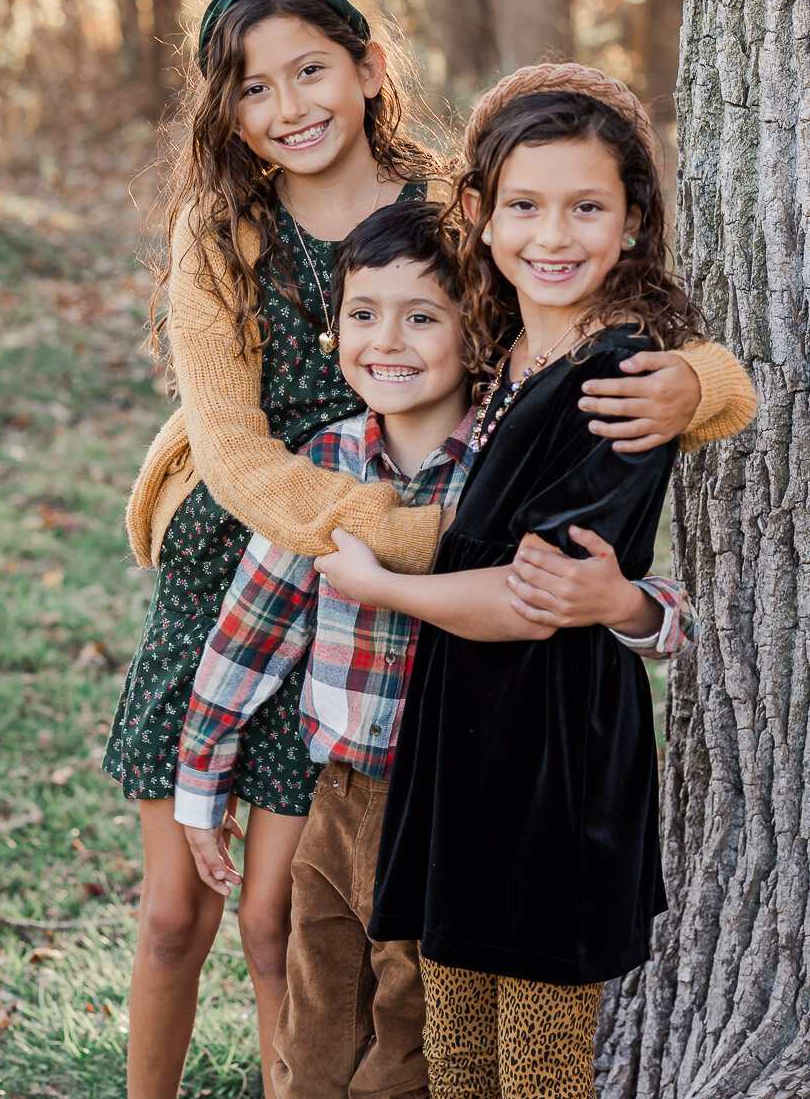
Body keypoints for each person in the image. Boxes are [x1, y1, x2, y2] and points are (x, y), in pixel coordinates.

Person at [106, 0, 752, 1099]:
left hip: (399, 600)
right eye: (254, 87)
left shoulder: (450, 204)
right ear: (224, 109)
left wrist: (699, 382)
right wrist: (409, 539)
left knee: (290, 909)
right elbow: (239, 455)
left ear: (368, 67)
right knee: (178, 909)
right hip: (260, 555)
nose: (290, 105)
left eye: (312, 69)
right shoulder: (219, 236)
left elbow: (570, 298)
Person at [173, 200, 701, 1099]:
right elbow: (252, 629)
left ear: (476, 331)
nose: (389, 341)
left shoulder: (493, 465)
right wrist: (200, 780)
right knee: (314, 1028)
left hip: (446, 802)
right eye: (363, 315)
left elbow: (589, 588)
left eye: (422, 317)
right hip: (334, 800)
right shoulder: (322, 467)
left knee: (407, 1047)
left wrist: (637, 608)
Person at [313, 64, 757, 1099]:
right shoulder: (501, 344)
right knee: (459, 1048)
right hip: (459, 742)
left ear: (634, 221)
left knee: (539, 1065)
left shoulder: (623, 379)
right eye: (523, 205)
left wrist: (384, 588)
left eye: (586, 206)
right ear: (477, 211)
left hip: (553, 756)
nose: (550, 234)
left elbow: (531, 597)